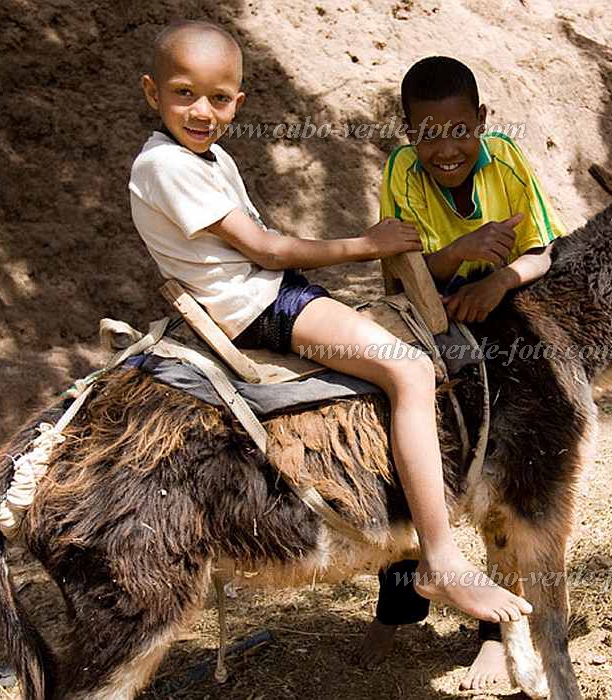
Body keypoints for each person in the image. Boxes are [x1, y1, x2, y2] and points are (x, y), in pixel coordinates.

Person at [128, 21, 533, 627]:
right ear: (151, 93)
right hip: (260, 307)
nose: (202, 110)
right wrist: (367, 245)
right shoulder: (167, 167)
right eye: (184, 93)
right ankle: (440, 557)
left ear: (238, 103)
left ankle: (404, 553)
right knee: (412, 371)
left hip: (274, 293)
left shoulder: (203, 156)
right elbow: (264, 250)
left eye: (218, 98)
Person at [362, 56, 566, 689]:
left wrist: (499, 278)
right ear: (406, 132)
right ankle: (400, 602)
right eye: (426, 134)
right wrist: (462, 253)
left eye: (459, 130)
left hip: (502, 305)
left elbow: (544, 250)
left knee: (502, 463)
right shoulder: (400, 172)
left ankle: (494, 631)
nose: (444, 148)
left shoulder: (505, 161)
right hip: (426, 307)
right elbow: (404, 271)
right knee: (404, 436)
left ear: (482, 120)